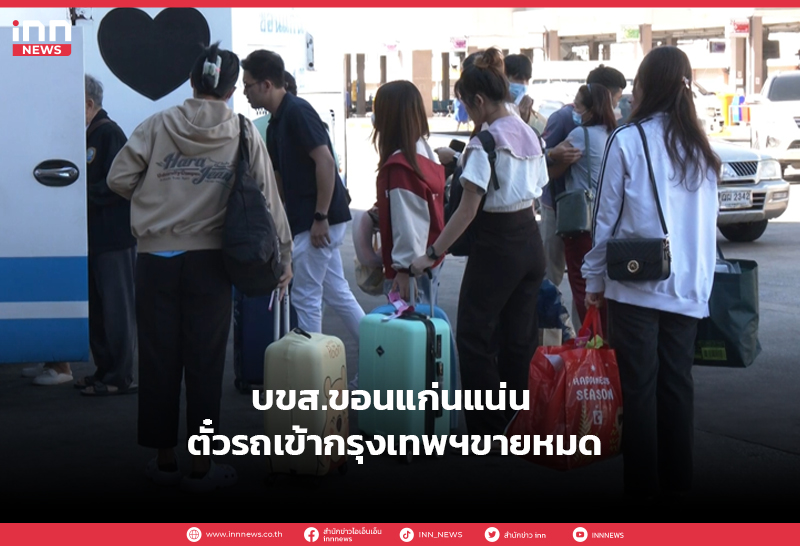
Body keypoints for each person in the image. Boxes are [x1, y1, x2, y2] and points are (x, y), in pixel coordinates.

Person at [108, 43, 293, 492]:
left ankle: (164, 461)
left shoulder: (157, 124)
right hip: (212, 262)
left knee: (158, 360)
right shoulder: (243, 131)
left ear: (192, 82)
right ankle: (202, 468)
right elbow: (268, 199)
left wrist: (160, 198)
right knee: (206, 364)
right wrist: (284, 257)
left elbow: (118, 178)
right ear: (230, 90)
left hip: (155, 259)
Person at [582, 46, 720, 501]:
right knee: (677, 388)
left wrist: (593, 280)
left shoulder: (628, 138)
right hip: (688, 286)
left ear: (645, 85)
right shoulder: (701, 148)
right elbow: (707, 224)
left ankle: (642, 496)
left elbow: (605, 216)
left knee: (638, 391)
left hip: (636, 282)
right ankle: (679, 489)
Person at [411, 48, 547, 442]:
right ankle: (517, 426)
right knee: (519, 339)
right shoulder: (529, 132)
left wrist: (431, 254)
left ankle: (487, 432)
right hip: (530, 243)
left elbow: (467, 212)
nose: (468, 114)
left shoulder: (484, 142)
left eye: (466, 106)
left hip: (497, 247)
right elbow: (536, 189)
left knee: (475, 337)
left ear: (479, 100)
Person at [241, 49, 364, 341]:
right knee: (337, 293)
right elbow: (280, 182)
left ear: (266, 85)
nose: (244, 92)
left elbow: (326, 161)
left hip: (317, 223)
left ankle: (312, 367)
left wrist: (320, 216)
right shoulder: (276, 123)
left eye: (248, 85)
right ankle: (378, 353)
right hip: (312, 221)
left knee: (306, 297)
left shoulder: (297, 111)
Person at [74, 74, 138, 396]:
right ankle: (104, 370)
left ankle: (120, 376)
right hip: (95, 238)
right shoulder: (88, 135)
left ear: (89, 104)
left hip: (113, 238)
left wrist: (78, 194)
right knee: (99, 310)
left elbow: (121, 183)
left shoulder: (109, 133)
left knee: (116, 310)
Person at [541, 65, 627, 288]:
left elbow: (547, 166)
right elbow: (543, 156)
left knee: (581, 277)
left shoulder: (597, 130)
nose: (616, 104)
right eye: (616, 98)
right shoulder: (564, 119)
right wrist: (552, 155)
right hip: (560, 206)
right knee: (561, 272)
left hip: (580, 211)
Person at [548, 83, 616, 328]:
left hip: (582, 220)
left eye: (577, 106)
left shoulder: (580, 135)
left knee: (582, 284)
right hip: (609, 219)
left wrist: (551, 153)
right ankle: (606, 339)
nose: (573, 110)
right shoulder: (614, 134)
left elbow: (552, 168)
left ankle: (594, 341)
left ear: (590, 110)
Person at [372, 80, 445, 304]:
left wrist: (404, 269)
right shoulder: (421, 149)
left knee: (410, 320)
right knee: (428, 317)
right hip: (429, 260)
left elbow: (408, 223)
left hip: (412, 271)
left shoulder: (401, 167)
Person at [504, 54, 547, 135]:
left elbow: (540, 134)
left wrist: (526, 117)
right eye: (518, 79)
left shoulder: (534, 116)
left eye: (527, 80)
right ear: (504, 79)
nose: (523, 84)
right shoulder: (493, 109)